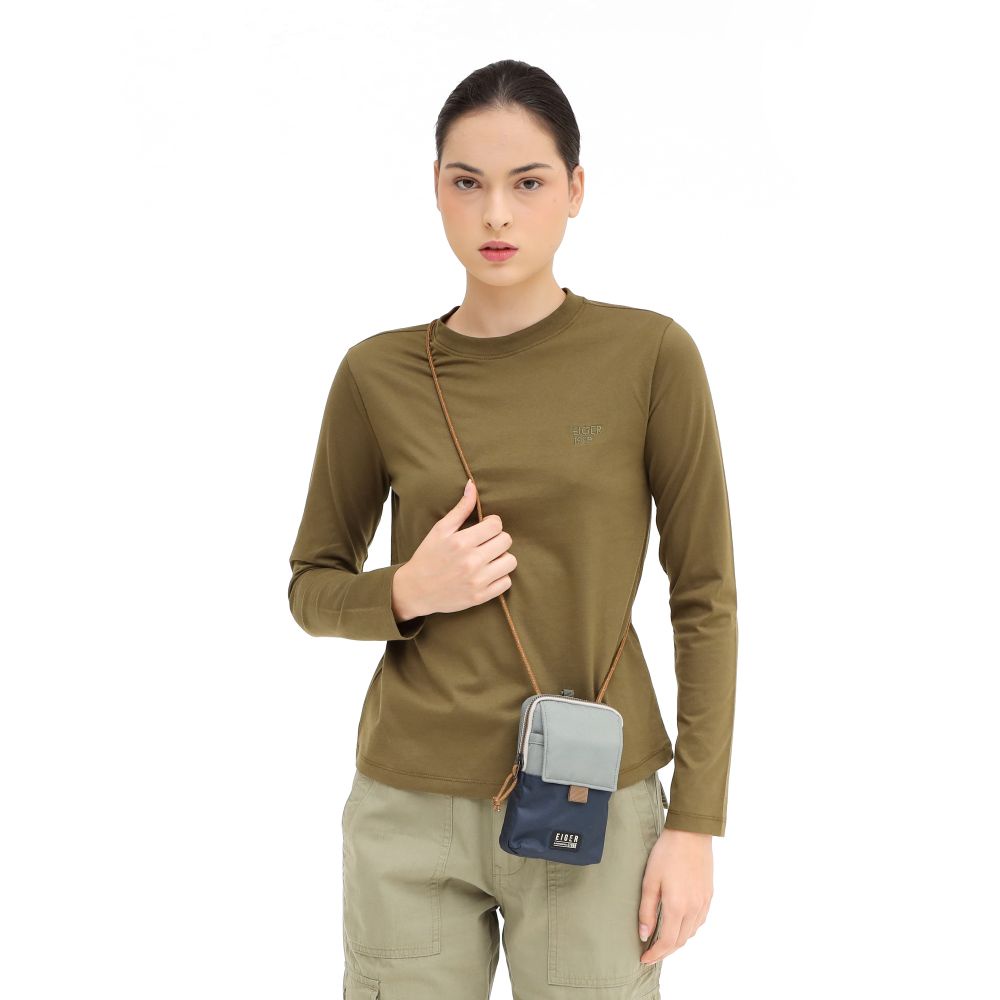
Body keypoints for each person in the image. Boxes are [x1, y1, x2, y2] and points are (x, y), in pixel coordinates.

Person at [287, 59, 738, 1000]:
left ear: (575, 189)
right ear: (436, 190)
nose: (495, 214)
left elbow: (704, 596)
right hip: (408, 804)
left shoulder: (651, 356)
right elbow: (311, 586)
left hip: (592, 796)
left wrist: (695, 822)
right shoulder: (377, 374)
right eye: (468, 183)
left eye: (527, 183)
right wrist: (409, 589)